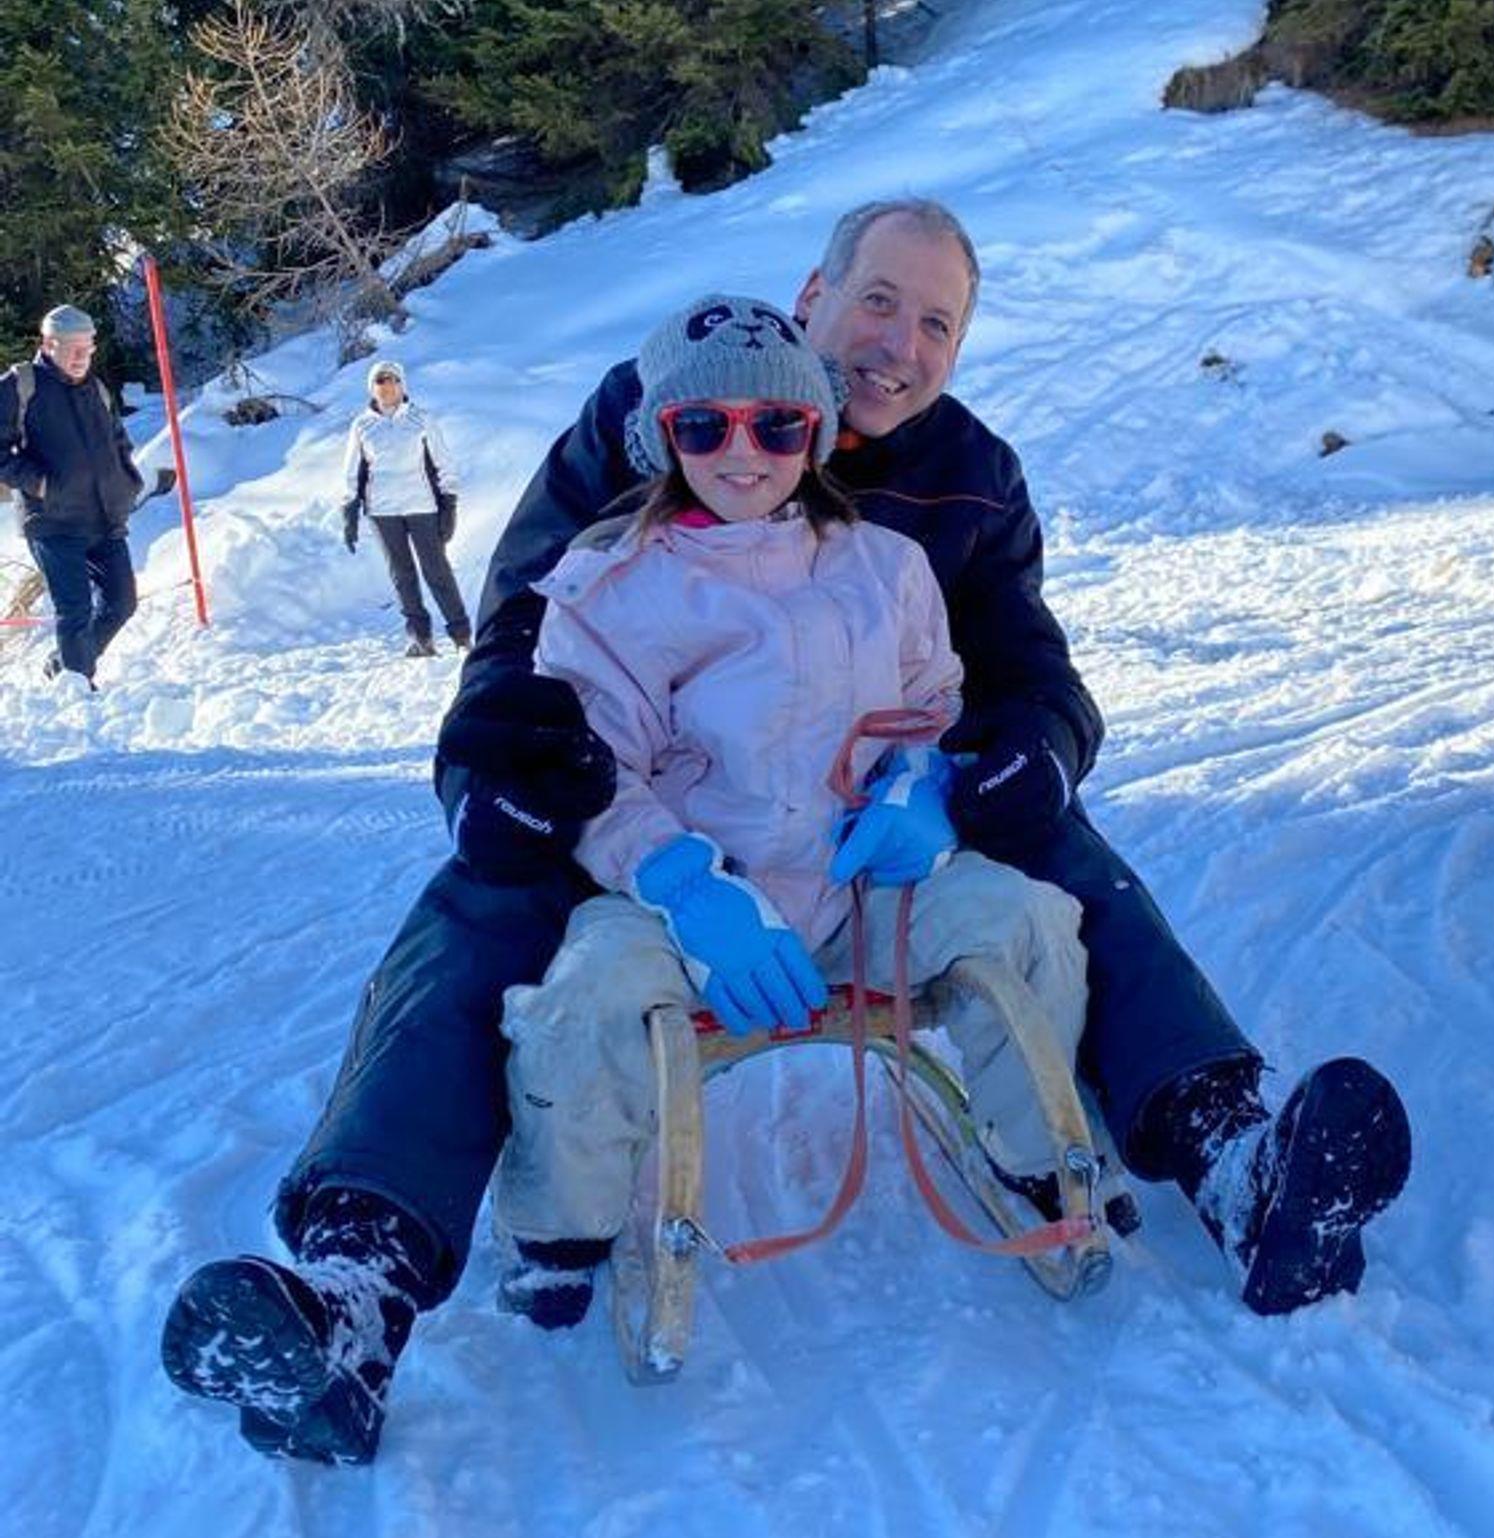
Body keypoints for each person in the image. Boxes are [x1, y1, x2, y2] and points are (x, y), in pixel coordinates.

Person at [160, 199, 1412, 1467]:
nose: (898, 346)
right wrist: (492, 769)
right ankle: (358, 1288)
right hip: (667, 812)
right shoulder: (665, 399)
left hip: (872, 828)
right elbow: (529, 629)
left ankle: (1229, 1154)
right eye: (878, 301)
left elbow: (1032, 678)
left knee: (1056, 858)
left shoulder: (967, 474)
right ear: (814, 296)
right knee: (486, 895)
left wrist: (1000, 767)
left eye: (936, 324)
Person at [489, 295, 1087, 1330]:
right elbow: (593, 771)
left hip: (861, 891)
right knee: (585, 997)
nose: (742, 452)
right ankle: (561, 1229)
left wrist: (923, 786)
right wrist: (685, 887)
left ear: (813, 433)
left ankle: (1037, 1156)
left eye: (775, 424)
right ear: (661, 437)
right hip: (691, 906)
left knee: (1029, 925)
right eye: (703, 425)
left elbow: (933, 700)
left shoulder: (883, 567)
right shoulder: (611, 591)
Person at [0, 305, 160, 691]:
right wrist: (40, 484)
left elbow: (118, 440)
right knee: (74, 610)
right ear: (48, 345)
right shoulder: (21, 385)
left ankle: (65, 666)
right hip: (52, 521)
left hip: (103, 518)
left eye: (87, 348)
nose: (80, 357)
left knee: (122, 603)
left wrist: (127, 481)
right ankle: (79, 689)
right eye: (71, 348)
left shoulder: (96, 388)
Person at [341, 359, 470, 657]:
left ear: (402, 385)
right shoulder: (362, 425)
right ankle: (420, 638)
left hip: (421, 506)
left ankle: (461, 635)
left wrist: (449, 504)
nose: (387, 387)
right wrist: (349, 510)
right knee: (402, 575)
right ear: (372, 388)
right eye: (381, 381)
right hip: (382, 511)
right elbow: (351, 470)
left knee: (437, 571)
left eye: (393, 380)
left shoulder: (420, 419)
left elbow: (444, 463)